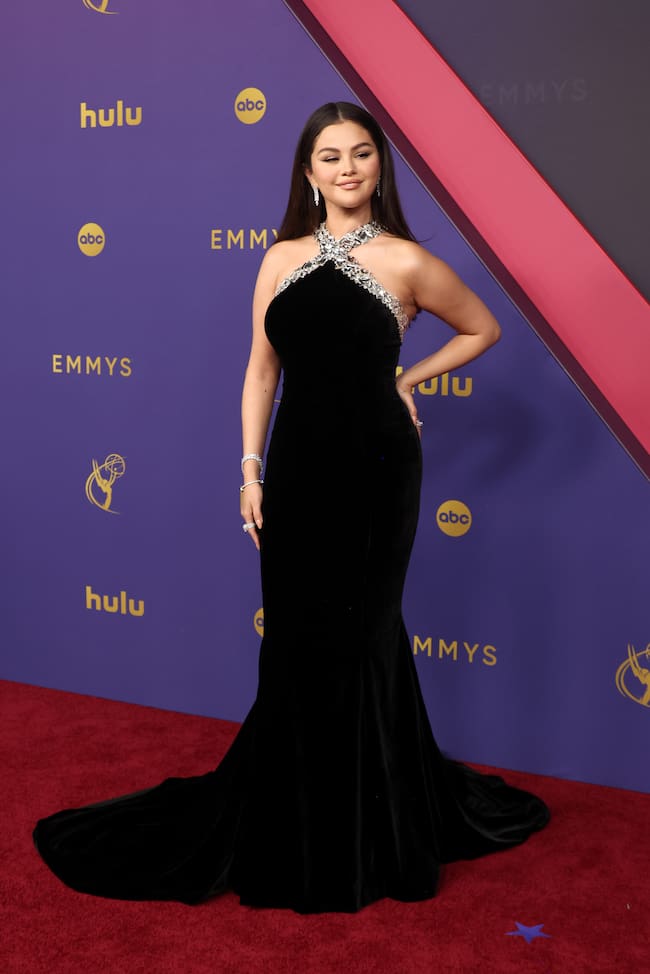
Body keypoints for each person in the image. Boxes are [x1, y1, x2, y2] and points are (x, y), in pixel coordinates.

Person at [33, 102, 549, 914]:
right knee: (300, 640)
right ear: (308, 172)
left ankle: (373, 828)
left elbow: (481, 328)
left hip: (381, 470)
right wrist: (250, 470)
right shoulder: (277, 260)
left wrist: (406, 381)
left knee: (366, 633)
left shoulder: (408, 261)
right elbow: (261, 374)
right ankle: (298, 815)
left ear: (381, 168)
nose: (347, 168)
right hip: (298, 469)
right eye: (331, 156)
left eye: (362, 154)